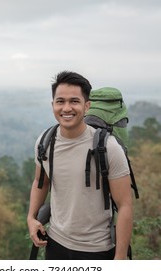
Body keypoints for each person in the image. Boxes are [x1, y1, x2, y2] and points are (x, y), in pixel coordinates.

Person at [27, 71, 133, 260]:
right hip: (55, 244)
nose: (66, 108)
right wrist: (31, 218)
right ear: (53, 105)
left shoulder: (108, 148)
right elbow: (39, 182)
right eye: (60, 101)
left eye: (74, 101)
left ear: (87, 105)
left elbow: (124, 205)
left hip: (97, 250)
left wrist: (120, 257)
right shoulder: (45, 142)